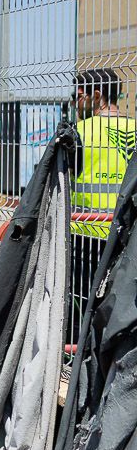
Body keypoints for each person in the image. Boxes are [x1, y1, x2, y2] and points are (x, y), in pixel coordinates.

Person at [71, 68, 135, 302]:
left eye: (78, 96)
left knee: (84, 300)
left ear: (96, 96)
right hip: (129, 234)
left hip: (86, 233)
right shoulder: (135, 130)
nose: (75, 103)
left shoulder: (80, 132)